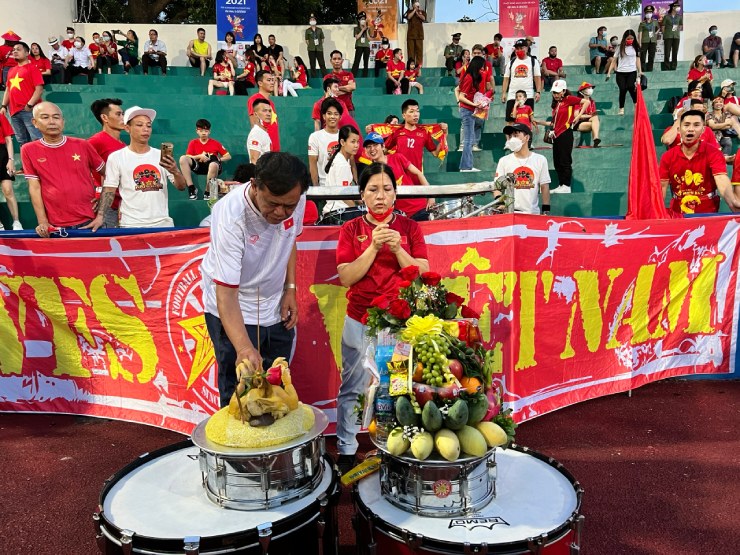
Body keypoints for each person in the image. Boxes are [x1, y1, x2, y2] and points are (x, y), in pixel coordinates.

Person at [334, 162, 429, 471]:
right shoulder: (351, 229)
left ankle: (392, 448)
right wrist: (373, 248)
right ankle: (347, 450)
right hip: (359, 320)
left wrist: (399, 249)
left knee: (396, 388)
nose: (380, 196)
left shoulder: (410, 228)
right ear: (362, 195)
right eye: (373, 190)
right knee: (353, 386)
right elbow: (347, 277)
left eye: (387, 189)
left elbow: (425, 274)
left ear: (395, 194)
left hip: (399, 324)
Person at [201, 151, 308, 408]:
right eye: (273, 203)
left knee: (279, 386)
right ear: (255, 185)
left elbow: (289, 238)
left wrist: (290, 289)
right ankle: (236, 447)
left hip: (273, 303)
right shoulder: (230, 215)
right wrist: (244, 348)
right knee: (240, 394)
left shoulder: (297, 197)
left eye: (289, 206)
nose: (281, 212)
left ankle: (274, 447)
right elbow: (225, 294)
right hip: (234, 307)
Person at [20, 102, 105, 236]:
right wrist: (43, 221)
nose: (52, 122)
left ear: (63, 121)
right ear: (34, 122)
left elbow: (108, 175)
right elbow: (34, 187)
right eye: (45, 117)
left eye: (56, 117)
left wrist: (102, 199)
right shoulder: (28, 150)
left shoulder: (82, 145)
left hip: (90, 222)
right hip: (55, 226)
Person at [100, 106, 187, 228]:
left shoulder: (160, 155)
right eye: (139, 125)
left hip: (162, 224)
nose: (145, 129)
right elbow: (109, 190)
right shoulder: (116, 157)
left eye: (149, 125)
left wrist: (175, 171)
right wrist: (100, 217)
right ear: (127, 128)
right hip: (131, 225)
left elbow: (181, 186)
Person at [659, 110, 738, 215]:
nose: (690, 129)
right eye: (686, 125)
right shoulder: (667, 157)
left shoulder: (713, 153)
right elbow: (661, 187)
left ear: (703, 130)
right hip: (678, 212)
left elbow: (721, 180)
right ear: (679, 129)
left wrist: (734, 205)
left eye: (696, 125)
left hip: (707, 211)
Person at [384, 98, 444, 217]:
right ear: (404, 115)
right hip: (400, 179)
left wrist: (444, 136)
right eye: (411, 111)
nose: (415, 114)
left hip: (417, 178)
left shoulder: (424, 133)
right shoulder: (397, 132)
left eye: (417, 111)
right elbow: (384, 150)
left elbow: (435, 153)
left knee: (419, 214)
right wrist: (372, 132)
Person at [543, 80, 589, 194]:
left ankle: (567, 185)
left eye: (558, 92)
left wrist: (578, 116)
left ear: (564, 91)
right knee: (557, 161)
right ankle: (561, 184)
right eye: (554, 92)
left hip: (565, 133)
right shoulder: (556, 104)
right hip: (556, 135)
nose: (556, 94)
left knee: (565, 160)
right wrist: (538, 122)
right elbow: (554, 122)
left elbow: (586, 102)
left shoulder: (569, 99)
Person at [495, 123, 551, 215]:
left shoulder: (540, 160)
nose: (512, 138)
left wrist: (546, 210)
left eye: (516, 135)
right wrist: (500, 202)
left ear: (527, 137)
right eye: (510, 136)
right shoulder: (504, 161)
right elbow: (497, 186)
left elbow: (544, 186)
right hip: (510, 213)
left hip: (532, 213)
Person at [89, 98, 126, 228]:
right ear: (104, 117)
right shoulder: (96, 141)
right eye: (118, 114)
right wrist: (95, 193)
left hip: (123, 205)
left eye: (123, 114)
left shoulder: (124, 146)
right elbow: (79, 168)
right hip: (106, 207)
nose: (123, 118)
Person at [0, 42, 43, 146]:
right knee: (22, 141)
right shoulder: (11, 71)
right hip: (13, 112)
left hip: (29, 110)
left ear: (27, 53)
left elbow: (39, 89)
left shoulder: (33, 68)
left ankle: (42, 162)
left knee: (36, 139)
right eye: (13, 50)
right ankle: (27, 162)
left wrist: (29, 105)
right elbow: (8, 90)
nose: (15, 51)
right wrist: (4, 106)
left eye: (18, 49)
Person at [180, 118, 231, 200]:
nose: (204, 133)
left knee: (214, 164)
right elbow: (188, 156)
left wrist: (219, 159)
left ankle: (208, 191)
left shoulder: (215, 143)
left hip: (213, 166)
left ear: (209, 131)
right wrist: (199, 156)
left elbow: (228, 156)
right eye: (201, 131)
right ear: (197, 131)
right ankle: (191, 188)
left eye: (206, 131)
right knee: (182, 158)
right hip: (198, 166)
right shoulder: (193, 142)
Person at [502, 39, 542, 123]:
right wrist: (503, 93)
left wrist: (538, 92)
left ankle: (526, 136)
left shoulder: (533, 61)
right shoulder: (511, 63)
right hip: (512, 95)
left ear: (527, 48)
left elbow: (537, 78)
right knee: (510, 121)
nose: (519, 50)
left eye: (521, 48)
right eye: (517, 48)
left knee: (527, 120)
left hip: (528, 95)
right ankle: (511, 137)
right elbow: (506, 79)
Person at [323, 124, 360, 215]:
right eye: (353, 142)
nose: (356, 145)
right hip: (337, 213)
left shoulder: (342, 159)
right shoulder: (342, 164)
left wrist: (359, 201)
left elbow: (345, 190)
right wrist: (356, 209)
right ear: (342, 142)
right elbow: (343, 195)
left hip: (338, 210)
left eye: (358, 142)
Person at [458, 56, 486, 173]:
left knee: (470, 139)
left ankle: (467, 166)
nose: (482, 69)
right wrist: (475, 105)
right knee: (468, 140)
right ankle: (465, 167)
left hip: (471, 110)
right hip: (467, 111)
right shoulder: (469, 78)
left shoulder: (472, 78)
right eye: (481, 67)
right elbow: (461, 97)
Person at [606, 30, 641, 116]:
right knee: (622, 89)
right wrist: (609, 72)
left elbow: (637, 59)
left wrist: (640, 71)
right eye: (628, 38)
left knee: (631, 86)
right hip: (620, 72)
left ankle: (636, 104)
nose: (630, 40)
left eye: (632, 38)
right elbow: (614, 60)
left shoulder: (636, 47)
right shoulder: (619, 47)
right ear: (625, 38)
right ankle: (621, 108)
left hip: (632, 71)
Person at [308, 97, 342, 187]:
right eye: (329, 113)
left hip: (345, 186)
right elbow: (313, 165)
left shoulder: (345, 135)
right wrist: (316, 188)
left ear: (340, 117)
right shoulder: (315, 137)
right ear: (323, 116)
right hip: (325, 187)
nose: (332, 117)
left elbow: (352, 161)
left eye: (336, 114)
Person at [247, 70, 280, 150]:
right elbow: (254, 124)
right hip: (264, 149)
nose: (272, 82)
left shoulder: (271, 103)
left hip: (275, 147)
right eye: (268, 80)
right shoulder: (254, 99)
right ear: (260, 83)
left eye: (273, 80)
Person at [0, 112, 21, 229]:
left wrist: (11, 160)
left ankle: (16, 222)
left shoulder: (0, 116)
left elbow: (8, 139)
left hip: (2, 154)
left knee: (8, 190)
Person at [324, 50, 356, 116]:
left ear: (342, 60)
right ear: (331, 61)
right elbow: (328, 93)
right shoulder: (327, 77)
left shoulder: (349, 74)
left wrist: (336, 88)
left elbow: (352, 87)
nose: (337, 61)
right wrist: (346, 90)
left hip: (348, 109)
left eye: (339, 59)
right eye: (334, 59)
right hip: (333, 110)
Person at [573, 82, 601, 147]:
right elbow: (576, 116)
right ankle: (595, 139)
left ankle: (596, 138)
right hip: (578, 123)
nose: (590, 89)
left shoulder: (592, 101)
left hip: (589, 121)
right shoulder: (578, 101)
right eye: (588, 88)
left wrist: (593, 114)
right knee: (595, 124)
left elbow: (593, 114)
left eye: (591, 88)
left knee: (595, 118)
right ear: (582, 90)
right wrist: (589, 115)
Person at [247, 98, 274, 162]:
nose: (268, 114)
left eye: (269, 111)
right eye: (264, 111)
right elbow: (254, 160)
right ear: (256, 114)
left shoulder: (263, 132)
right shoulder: (256, 133)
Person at [661, 3, 682, 71]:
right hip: (668, 36)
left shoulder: (679, 16)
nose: (678, 8)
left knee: (675, 52)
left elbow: (681, 25)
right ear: (673, 7)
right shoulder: (666, 17)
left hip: (676, 36)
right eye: (677, 6)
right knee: (667, 52)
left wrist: (677, 30)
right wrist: (665, 34)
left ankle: (673, 67)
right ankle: (666, 67)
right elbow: (663, 27)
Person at [405, 2, 426, 67]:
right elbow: (408, 17)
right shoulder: (409, 11)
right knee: (411, 51)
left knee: (419, 51)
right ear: (413, 6)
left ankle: (419, 65)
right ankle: (411, 65)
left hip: (419, 35)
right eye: (416, 6)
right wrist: (414, 11)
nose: (417, 7)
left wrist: (417, 13)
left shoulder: (422, 12)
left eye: (418, 6)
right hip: (411, 35)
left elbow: (423, 18)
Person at [637, 5, 658, 72]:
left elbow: (658, 29)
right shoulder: (642, 23)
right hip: (644, 41)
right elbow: (640, 33)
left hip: (653, 41)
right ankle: (642, 70)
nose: (649, 14)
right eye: (647, 13)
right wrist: (639, 43)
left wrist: (655, 35)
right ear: (645, 14)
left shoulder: (655, 22)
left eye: (650, 12)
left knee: (651, 56)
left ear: (652, 13)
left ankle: (650, 70)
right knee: (643, 57)